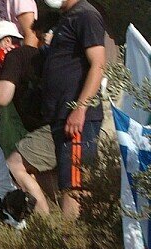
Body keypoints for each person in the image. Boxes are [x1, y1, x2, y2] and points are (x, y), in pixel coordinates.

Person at [39, 0, 106, 220]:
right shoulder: (67, 17)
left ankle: (76, 246)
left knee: (75, 186)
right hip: (62, 116)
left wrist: (80, 108)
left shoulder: (86, 15)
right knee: (70, 182)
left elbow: (98, 64)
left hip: (76, 117)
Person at [0, 20, 53, 216]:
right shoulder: (26, 56)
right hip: (49, 126)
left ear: (7, 41)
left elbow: (1, 98)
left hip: (48, 127)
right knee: (45, 178)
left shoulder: (15, 56)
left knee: (14, 164)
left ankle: (44, 222)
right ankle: (57, 219)